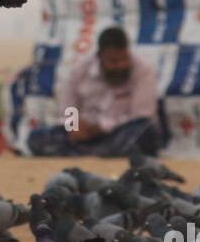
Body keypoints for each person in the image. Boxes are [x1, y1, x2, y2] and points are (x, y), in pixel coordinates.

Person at [27, 26, 161, 156]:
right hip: (85, 134)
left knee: (146, 132)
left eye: (123, 59)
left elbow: (142, 115)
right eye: (113, 61)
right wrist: (74, 127)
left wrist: (101, 127)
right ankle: (97, 151)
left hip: (120, 132)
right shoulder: (79, 71)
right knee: (37, 137)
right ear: (100, 56)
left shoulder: (143, 71)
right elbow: (68, 109)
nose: (120, 65)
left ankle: (84, 152)